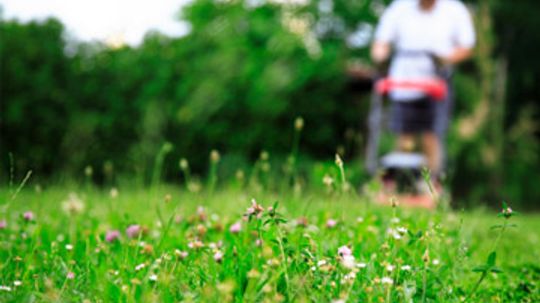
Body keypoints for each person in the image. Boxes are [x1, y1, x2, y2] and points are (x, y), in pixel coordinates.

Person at [370, 0, 475, 178]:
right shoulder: (399, 7)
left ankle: (431, 184)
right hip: (403, 81)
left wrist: (446, 59)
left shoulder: (454, 9)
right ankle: (401, 184)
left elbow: (467, 46)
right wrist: (380, 55)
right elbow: (381, 42)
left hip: (437, 83)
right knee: (404, 137)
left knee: (431, 136)